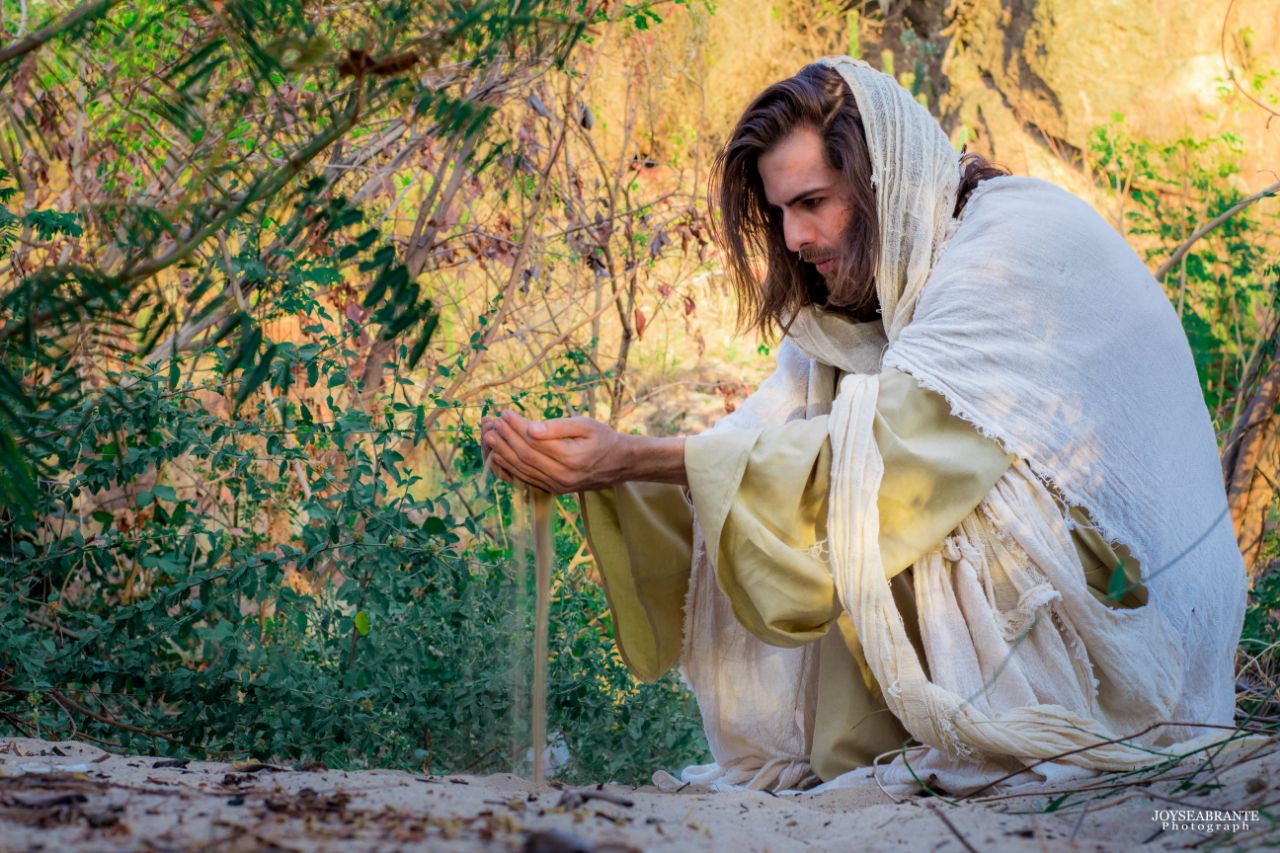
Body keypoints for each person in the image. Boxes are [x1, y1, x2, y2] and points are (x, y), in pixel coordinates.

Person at [481, 55, 1247, 794]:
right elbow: (757, 436)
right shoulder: (866, 303)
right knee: (809, 456)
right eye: (780, 212)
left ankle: (1004, 726)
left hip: (1137, 638)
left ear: (884, 183)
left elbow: (900, 457)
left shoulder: (1015, 246)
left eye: (813, 202)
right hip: (1082, 590)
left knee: (879, 489)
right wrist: (590, 458)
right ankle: (872, 744)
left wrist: (636, 458)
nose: (792, 238)